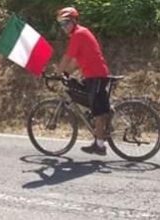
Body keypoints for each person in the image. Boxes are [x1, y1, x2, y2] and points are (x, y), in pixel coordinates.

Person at [55, 7, 110, 156]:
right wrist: (66, 72)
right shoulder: (79, 35)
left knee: (98, 111)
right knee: (90, 102)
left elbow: (67, 57)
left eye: (66, 23)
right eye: (61, 24)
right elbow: (77, 62)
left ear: (74, 21)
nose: (64, 27)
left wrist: (57, 73)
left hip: (96, 75)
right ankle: (105, 118)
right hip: (92, 76)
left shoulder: (79, 34)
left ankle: (100, 145)